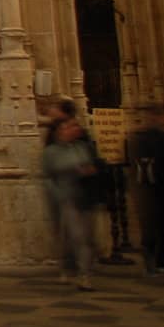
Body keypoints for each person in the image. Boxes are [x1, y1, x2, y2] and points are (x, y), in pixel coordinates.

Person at [42, 116, 102, 290]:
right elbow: (48, 177)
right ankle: (73, 270)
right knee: (74, 238)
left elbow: (91, 166)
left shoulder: (81, 148)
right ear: (59, 131)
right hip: (67, 199)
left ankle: (83, 273)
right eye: (68, 127)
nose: (72, 130)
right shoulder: (51, 152)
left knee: (85, 237)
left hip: (84, 198)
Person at [129, 105, 164, 274]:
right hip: (160, 187)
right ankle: (161, 261)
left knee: (149, 224)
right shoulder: (162, 138)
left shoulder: (136, 138)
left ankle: (150, 255)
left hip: (144, 188)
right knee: (162, 225)